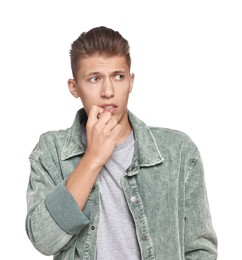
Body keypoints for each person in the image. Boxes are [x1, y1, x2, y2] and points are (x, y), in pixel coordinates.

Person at [25, 26, 218, 260]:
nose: (108, 91)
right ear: (74, 87)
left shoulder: (178, 151)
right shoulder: (51, 151)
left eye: (118, 76)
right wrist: (93, 159)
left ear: (131, 81)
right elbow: (44, 240)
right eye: (94, 79)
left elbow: (200, 250)